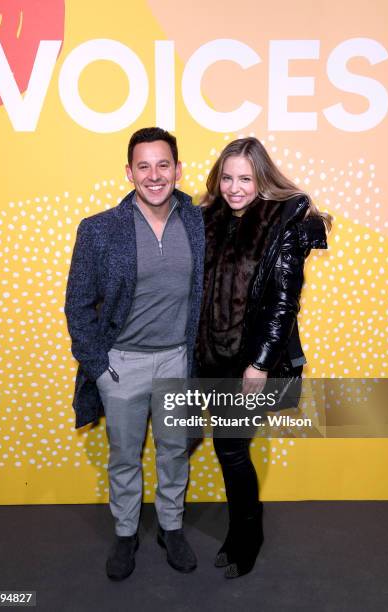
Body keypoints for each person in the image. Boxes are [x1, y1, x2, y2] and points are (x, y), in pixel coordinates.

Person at [65, 127, 204, 581]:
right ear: (129, 173)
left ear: (178, 169)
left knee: (174, 452)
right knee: (124, 455)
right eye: (143, 166)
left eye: (163, 164)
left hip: (178, 360)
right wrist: (99, 368)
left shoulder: (202, 224)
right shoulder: (99, 229)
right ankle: (126, 532)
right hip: (121, 364)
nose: (154, 175)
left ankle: (171, 527)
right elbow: (78, 305)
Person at [195, 137, 331, 579]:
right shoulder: (207, 220)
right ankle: (242, 532)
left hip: (250, 362)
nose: (235, 187)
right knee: (226, 448)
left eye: (245, 179)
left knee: (230, 449)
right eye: (228, 177)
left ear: (261, 180)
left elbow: (283, 303)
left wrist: (260, 363)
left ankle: (247, 536)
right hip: (211, 357)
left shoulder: (282, 224)